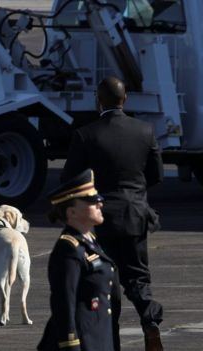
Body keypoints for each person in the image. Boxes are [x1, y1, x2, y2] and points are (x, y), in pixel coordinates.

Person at [61, 76, 164, 351]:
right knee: (138, 276)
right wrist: (135, 194)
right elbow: (156, 174)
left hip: (101, 218)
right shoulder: (145, 131)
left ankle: (110, 341)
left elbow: (71, 178)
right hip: (135, 215)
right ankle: (149, 317)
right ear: (125, 99)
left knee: (105, 282)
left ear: (98, 100)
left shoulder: (86, 134)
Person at [38, 169, 120, 351]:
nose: (100, 203)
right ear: (72, 212)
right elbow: (64, 304)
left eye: (98, 199)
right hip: (82, 343)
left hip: (98, 339)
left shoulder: (91, 243)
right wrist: (70, 345)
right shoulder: (69, 249)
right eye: (91, 200)